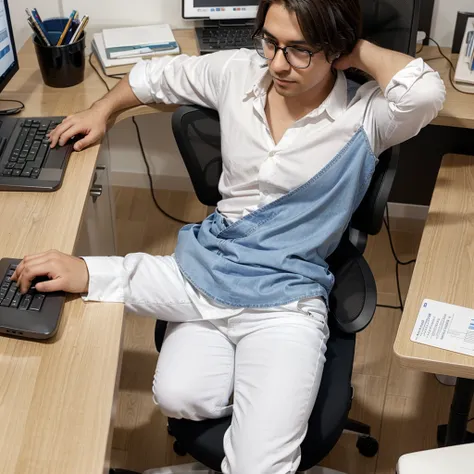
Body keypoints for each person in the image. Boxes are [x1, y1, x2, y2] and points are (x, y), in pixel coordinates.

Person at [12, 0, 445, 472]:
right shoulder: (239, 73)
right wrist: (102, 111)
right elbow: (150, 77)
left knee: (259, 463)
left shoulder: (368, 117)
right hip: (210, 268)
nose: (278, 63)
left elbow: (423, 93)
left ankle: (268, 402)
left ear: (334, 50)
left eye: (299, 50)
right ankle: (266, 397)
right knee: (178, 396)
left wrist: (355, 50)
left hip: (286, 297)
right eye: (271, 41)